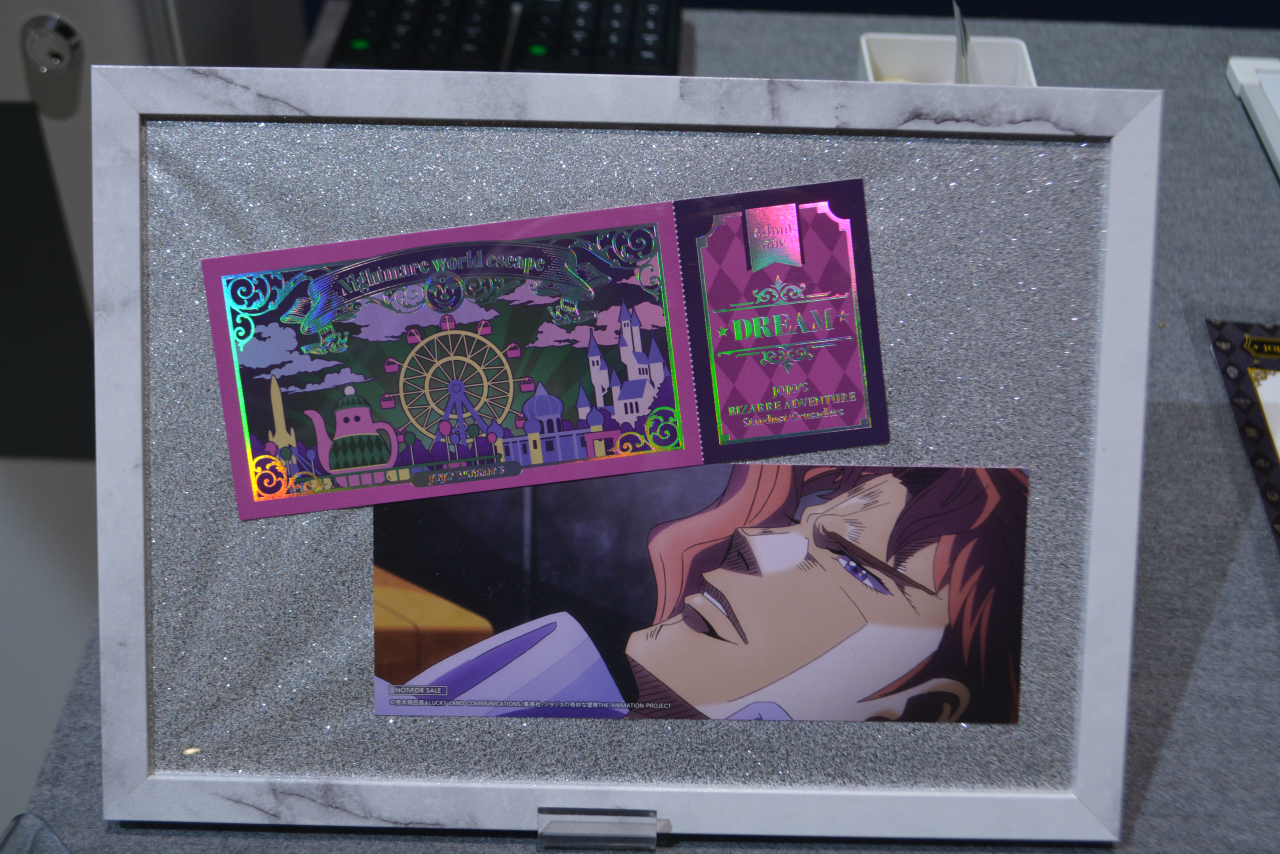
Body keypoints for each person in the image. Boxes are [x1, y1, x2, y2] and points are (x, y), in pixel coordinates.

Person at [375, 465, 1027, 724]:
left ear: (927, 708)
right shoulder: (534, 684)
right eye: (799, 521)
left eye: (857, 567)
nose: (754, 541)